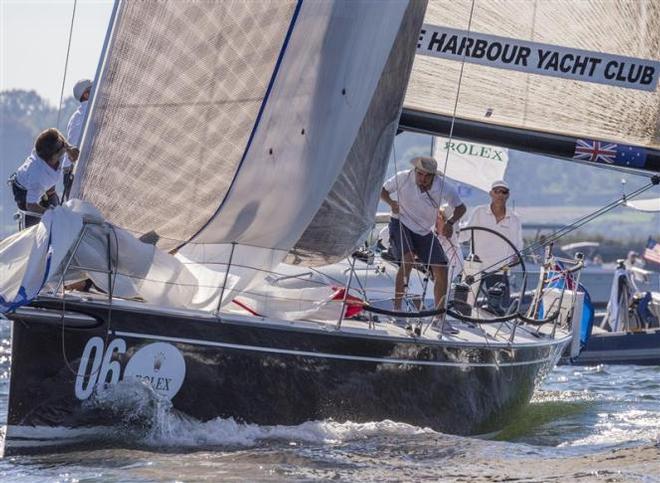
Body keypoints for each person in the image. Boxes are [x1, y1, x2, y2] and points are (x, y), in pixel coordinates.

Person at [380, 156, 466, 330]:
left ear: (434, 176)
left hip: (424, 230)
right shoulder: (404, 177)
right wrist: (391, 203)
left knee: (442, 267)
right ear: (415, 171)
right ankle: (397, 311)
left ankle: (439, 319)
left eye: (428, 176)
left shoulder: (443, 187)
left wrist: (450, 223)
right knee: (408, 259)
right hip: (401, 222)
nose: (423, 179)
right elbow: (382, 190)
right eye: (420, 174)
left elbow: (461, 207)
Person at [463, 179, 523, 314]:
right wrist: (448, 229)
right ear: (491, 193)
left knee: (498, 310)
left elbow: (518, 246)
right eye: (497, 191)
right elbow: (465, 235)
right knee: (464, 304)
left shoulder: (514, 218)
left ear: (508, 195)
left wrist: (516, 258)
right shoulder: (479, 211)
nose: (500, 195)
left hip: (500, 269)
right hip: (475, 266)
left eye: (504, 192)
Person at [10, 128, 79, 228]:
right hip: (23, 189)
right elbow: (31, 206)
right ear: (53, 157)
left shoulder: (52, 150)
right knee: (33, 224)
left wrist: (69, 149)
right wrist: (50, 214)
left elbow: (57, 135)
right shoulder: (38, 177)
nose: (64, 147)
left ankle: (49, 193)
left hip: (44, 180)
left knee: (54, 204)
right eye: (63, 149)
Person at [61, 79, 92, 201]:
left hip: (70, 170)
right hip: (77, 170)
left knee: (76, 213)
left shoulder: (76, 115)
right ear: (86, 95)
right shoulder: (90, 113)